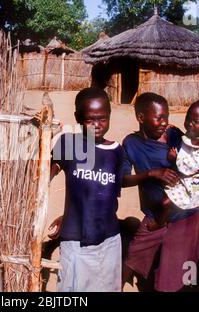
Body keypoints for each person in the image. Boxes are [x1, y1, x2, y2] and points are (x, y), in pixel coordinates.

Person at [121, 93, 199, 292]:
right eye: (158, 117)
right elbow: (122, 180)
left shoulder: (175, 135)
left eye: (166, 116)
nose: (164, 122)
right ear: (141, 118)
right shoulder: (131, 143)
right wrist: (151, 174)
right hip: (153, 216)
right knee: (134, 255)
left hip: (185, 216)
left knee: (183, 271)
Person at [50, 87, 125, 292]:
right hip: (76, 238)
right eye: (90, 119)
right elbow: (45, 174)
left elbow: (109, 196)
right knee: (73, 288)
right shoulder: (69, 143)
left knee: (106, 286)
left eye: (103, 118)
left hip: (109, 237)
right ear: (78, 117)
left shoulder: (116, 151)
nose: (97, 125)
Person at [161, 100, 199, 217]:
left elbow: (193, 167)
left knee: (167, 202)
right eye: (188, 118)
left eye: (195, 121)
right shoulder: (189, 136)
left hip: (194, 183)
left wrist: (174, 159)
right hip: (186, 179)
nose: (189, 124)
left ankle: (160, 223)